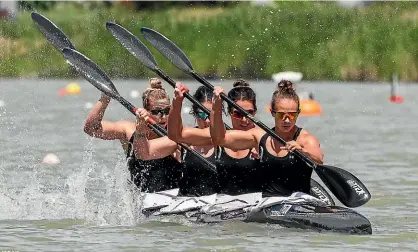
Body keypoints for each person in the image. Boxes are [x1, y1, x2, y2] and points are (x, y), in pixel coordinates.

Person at [210, 80, 324, 197]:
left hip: (298, 202)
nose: (286, 120)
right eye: (281, 115)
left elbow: (319, 159)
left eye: (291, 115)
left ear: (298, 113)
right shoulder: (260, 136)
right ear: (272, 113)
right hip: (267, 205)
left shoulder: (305, 139)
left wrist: (302, 151)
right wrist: (216, 107)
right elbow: (219, 139)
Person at [83, 78, 182, 193]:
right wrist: (105, 98)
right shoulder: (128, 130)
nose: (163, 117)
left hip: (174, 201)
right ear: (145, 111)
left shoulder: (176, 134)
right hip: (142, 201)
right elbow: (91, 128)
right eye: (157, 112)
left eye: (167, 111)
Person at [169, 80, 260, 195]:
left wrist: (263, 149)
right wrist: (177, 101)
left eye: (249, 113)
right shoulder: (219, 137)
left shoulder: (262, 137)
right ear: (229, 113)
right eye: (238, 114)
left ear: (255, 112)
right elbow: (175, 134)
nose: (244, 120)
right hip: (224, 206)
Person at [167, 84, 219, 196]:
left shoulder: (229, 138)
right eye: (202, 114)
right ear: (195, 114)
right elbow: (146, 152)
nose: (208, 121)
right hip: (187, 203)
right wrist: (177, 101)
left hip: (219, 205)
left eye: (211, 115)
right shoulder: (185, 139)